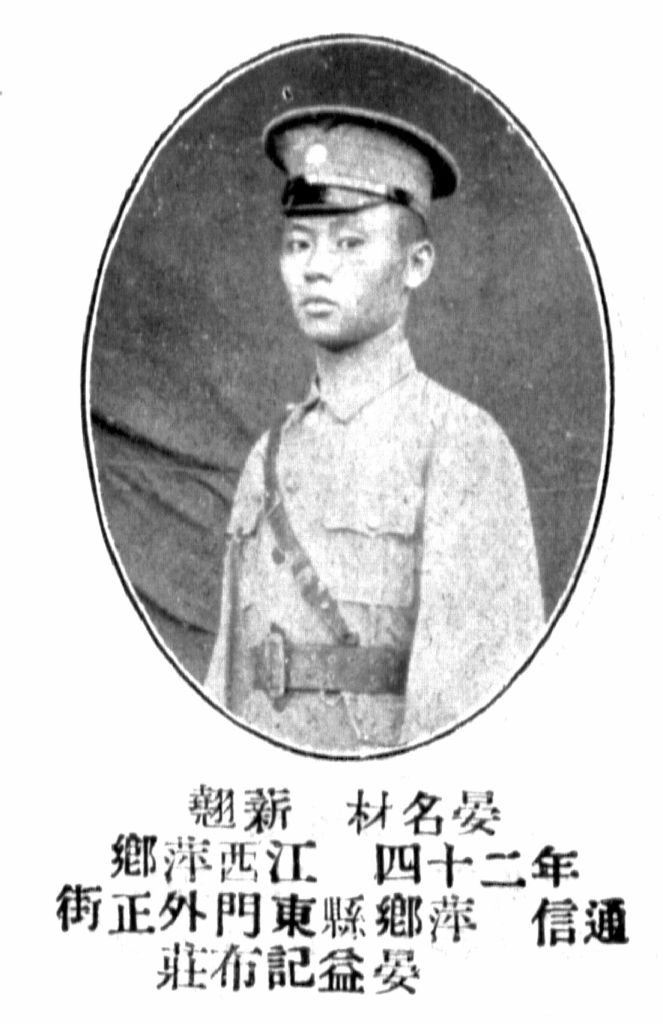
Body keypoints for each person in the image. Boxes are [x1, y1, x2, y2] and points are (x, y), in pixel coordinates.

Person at [204, 106, 544, 753]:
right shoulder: (268, 455)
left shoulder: (461, 445)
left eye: (350, 243)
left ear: (416, 264)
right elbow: (225, 682)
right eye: (299, 243)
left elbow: (467, 719)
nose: (315, 267)